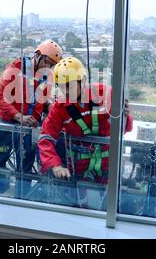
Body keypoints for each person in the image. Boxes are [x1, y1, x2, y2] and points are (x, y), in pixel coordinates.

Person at [37, 56, 133, 208]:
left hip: (107, 163)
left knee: (110, 203)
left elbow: (124, 129)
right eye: (61, 86)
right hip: (78, 164)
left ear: (83, 80)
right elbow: (46, 138)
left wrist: (125, 116)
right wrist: (55, 165)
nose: (65, 91)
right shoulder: (60, 107)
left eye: (69, 85)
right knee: (79, 203)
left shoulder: (106, 94)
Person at [0, 39, 63, 198]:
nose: (48, 66)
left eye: (52, 64)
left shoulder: (48, 76)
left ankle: (22, 199)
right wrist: (19, 116)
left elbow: (41, 97)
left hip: (28, 128)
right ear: (37, 55)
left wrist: (48, 104)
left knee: (25, 168)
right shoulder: (16, 67)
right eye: (47, 61)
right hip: (6, 125)